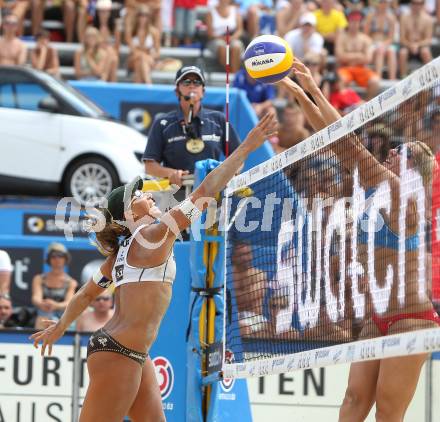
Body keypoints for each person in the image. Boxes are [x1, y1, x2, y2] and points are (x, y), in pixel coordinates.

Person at [30, 112, 278, 422]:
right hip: (119, 351)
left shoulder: (122, 251)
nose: (146, 192)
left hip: (131, 352)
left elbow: (84, 295)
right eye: (137, 195)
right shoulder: (154, 234)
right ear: (127, 216)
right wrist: (247, 147)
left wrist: (60, 326)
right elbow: (204, 192)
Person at [278, 58, 440, 422]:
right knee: (352, 402)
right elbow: (335, 143)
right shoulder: (377, 193)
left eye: (404, 151)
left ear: (414, 170)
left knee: (388, 411)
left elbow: (348, 145)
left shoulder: (403, 196)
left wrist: (313, 90)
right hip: (378, 316)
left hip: (412, 318)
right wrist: (301, 93)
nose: (395, 150)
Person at [143, 66, 241, 189]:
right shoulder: (162, 123)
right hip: (176, 195)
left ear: (203, 91)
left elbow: (238, 157)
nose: (192, 85)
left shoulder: (219, 119)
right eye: (186, 82)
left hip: (212, 195)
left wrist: (231, 172)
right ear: (177, 91)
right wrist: (171, 173)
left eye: (197, 82)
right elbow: (150, 166)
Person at [335, 10, 380, 100]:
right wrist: (359, 55)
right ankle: (345, 105)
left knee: (375, 81)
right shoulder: (341, 38)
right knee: (340, 80)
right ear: (348, 22)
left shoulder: (366, 39)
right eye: (352, 21)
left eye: (357, 21)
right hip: (345, 68)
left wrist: (348, 56)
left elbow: (368, 58)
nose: (354, 24)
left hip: (361, 69)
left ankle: (367, 103)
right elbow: (340, 57)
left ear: (360, 23)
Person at [31, 243, 78, 329]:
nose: (57, 259)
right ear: (49, 259)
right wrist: (42, 304)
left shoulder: (71, 282)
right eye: (53, 256)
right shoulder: (39, 279)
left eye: (60, 256)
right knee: (43, 316)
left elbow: (68, 302)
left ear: (65, 258)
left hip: (63, 317)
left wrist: (55, 305)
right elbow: (36, 298)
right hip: (43, 314)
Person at [206, 0, 244, 74]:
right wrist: (222, 38)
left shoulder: (235, 11)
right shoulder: (211, 12)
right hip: (216, 39)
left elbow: (240, 30)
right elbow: (210, 33)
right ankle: (229, 72)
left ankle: (234, 74)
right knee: (221, 47)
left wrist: (232, 38)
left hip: (232, 37)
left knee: (236, 46)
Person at [399, 0, 434, 78]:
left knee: (425, 52)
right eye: (414, 3)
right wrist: (410, 45)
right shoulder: (404, 18)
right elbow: (402, 38)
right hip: (407, 45)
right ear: (410, 4)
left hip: (421, 46)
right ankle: (403, 77)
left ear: (423, 4)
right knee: (402, 53)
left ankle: (430, 78)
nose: (416, 6)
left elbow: (428, 39)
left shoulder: (428, 19)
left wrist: (417, 45)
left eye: (419, 3)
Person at [364, 0, 397, 80]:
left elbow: (391, 38)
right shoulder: (370, 16)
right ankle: (378, 78)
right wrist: (375, 44)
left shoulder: (391, 18)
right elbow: (366, 34)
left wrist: (383, 45)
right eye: (381, 2)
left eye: (385, 2)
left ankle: (392, 79)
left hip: (386, 43)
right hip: (372, 42)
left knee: (391, 52)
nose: (383, 4)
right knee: (379, 52)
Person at [126, 6, 160, 84]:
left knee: (141, 62)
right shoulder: (131, 31)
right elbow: (133, 51)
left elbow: (157, 53)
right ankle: (149, 85)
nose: (143, 17)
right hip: (134, 59)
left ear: (149, 17)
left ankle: (137, 90)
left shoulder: (154, 32)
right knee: (141, 59)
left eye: (145, 15)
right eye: (140, 15)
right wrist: (145, 52)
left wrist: (145, 54)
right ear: (137, 16)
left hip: (148, 59)